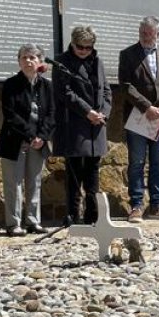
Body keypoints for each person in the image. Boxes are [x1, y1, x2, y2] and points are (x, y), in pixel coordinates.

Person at [118, 15, 159, 223]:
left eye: (149, 33)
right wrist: (147, 107)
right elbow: (126, 85)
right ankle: (136, 205)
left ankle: (157, 205)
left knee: (158, 162)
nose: (145, 37)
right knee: (136, 162)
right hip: (139, 116)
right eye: (142, 33)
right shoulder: (127, 54)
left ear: (157, 34)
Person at [52, 26, 112, 226]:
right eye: (80, 47)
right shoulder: (62, 61)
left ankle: (93, 217)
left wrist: (104, 112)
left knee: (93, 174)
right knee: (75, 174)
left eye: (88, 48)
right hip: (75, 126)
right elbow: (65, 92)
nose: (84, 51)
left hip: (97, 126)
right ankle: (73, 217)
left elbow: (106, 90)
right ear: (72, 43)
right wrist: (88, 112)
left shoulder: (98, 62)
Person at [0, 44, 54, 236]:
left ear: (40, 62)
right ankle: (14, 224)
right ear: (19, 61)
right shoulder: (11, 85)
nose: (28, 61)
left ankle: (33, 221)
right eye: (24, 58)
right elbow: (11, 115)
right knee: (13, 183)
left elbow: (52, 114)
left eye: (32, 57)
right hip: (15, 141)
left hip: (39, 142)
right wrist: (30, 136)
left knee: (34, 182)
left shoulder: (47, 86)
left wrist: (42, 137)